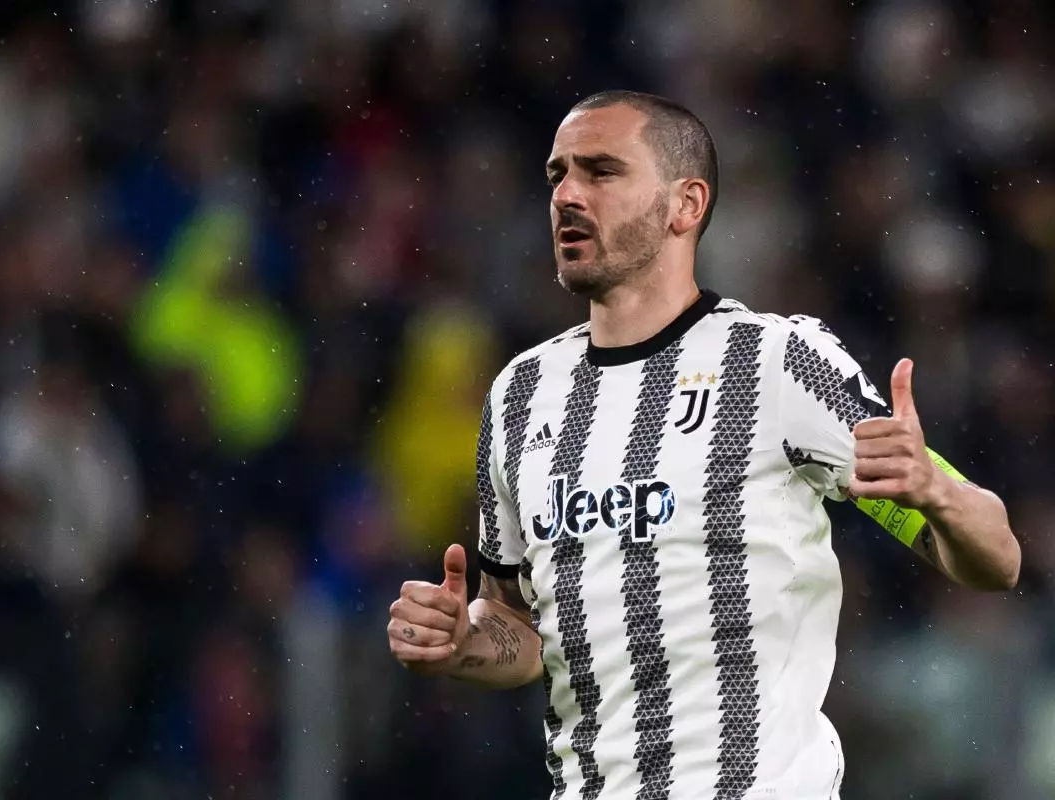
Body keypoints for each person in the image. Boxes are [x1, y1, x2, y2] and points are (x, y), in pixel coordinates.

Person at [385, 90, 1021, 799]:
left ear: (686, 204)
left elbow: (997, 560)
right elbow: (516, 623)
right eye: (557, 174)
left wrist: (936, 492)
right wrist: (462, 641)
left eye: (601, 172)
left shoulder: (776, 364)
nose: (567, 194)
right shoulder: (520, 393)